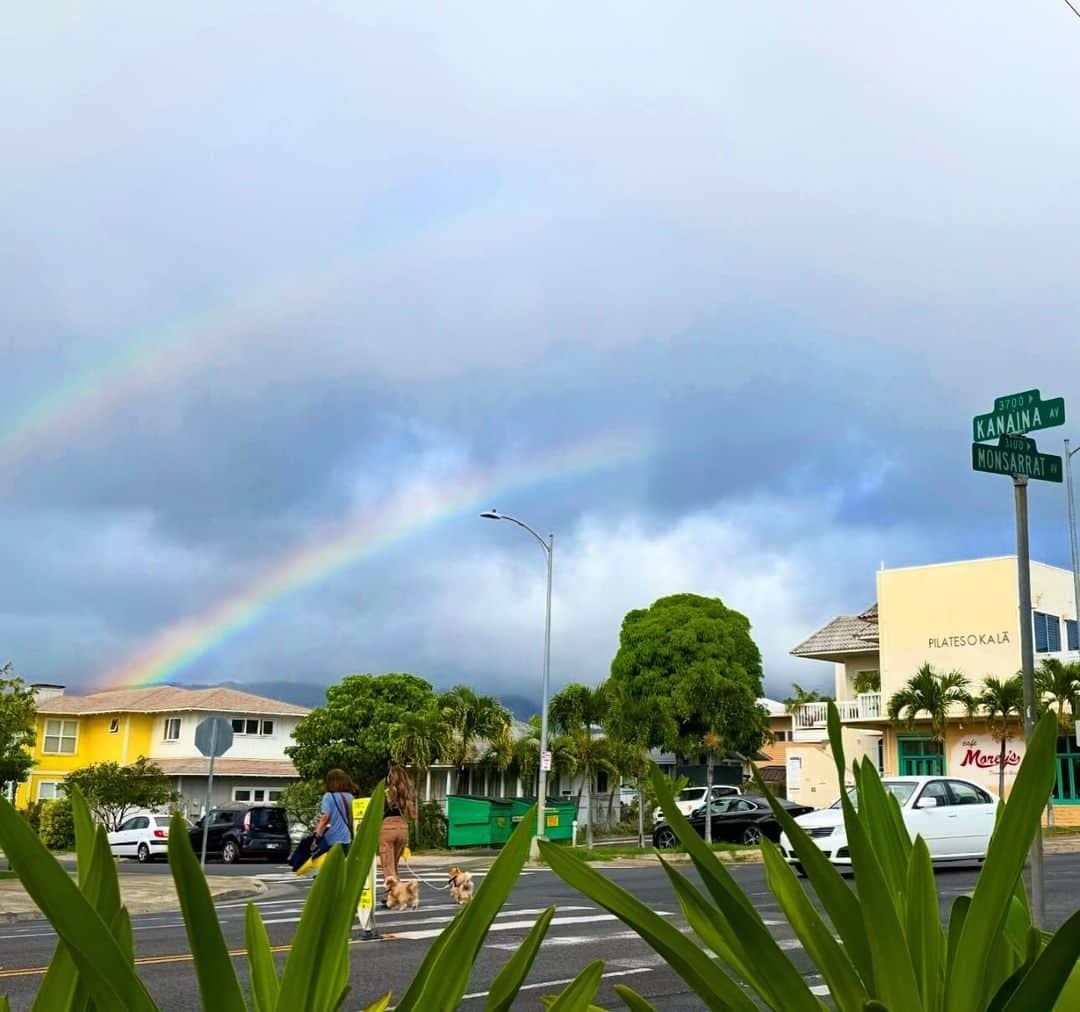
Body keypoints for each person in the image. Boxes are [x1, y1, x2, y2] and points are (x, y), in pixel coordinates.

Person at [379, 765, 417, 905]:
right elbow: (413, 816)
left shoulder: (387, 792)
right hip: (402, 828)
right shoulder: (407, 795)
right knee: (394, 865)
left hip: (387, 828)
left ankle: (393, 896)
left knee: (388, 867)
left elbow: (378, 812)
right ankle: (400, 893)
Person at [314, 768, 357, 857]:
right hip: (347, 838)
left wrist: (317, 834)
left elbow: (325, 818)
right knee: (343, 866)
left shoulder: (328, 797)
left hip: (332, 839)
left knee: (332, 867)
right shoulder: (350, 797)